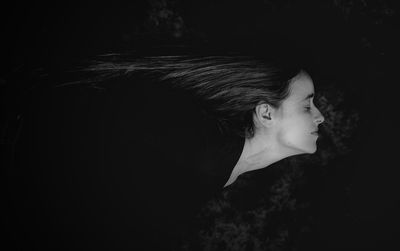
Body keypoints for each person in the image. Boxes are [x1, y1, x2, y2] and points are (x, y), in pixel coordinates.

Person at [6, 53, 325, 250]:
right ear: (266, 113)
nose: (320, 116)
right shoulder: (198, 152)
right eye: (307, 104)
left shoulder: (219, 161)